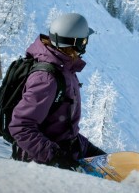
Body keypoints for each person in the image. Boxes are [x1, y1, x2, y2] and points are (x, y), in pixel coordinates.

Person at [9, 12, 105, 170]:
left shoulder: (64, 68)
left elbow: (60, 127)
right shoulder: (47, 78)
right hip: (41, 168)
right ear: (77, 43)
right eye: (85, 40)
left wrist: (87, 149)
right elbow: (21, 126)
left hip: (65, 152)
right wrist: (56, 157)